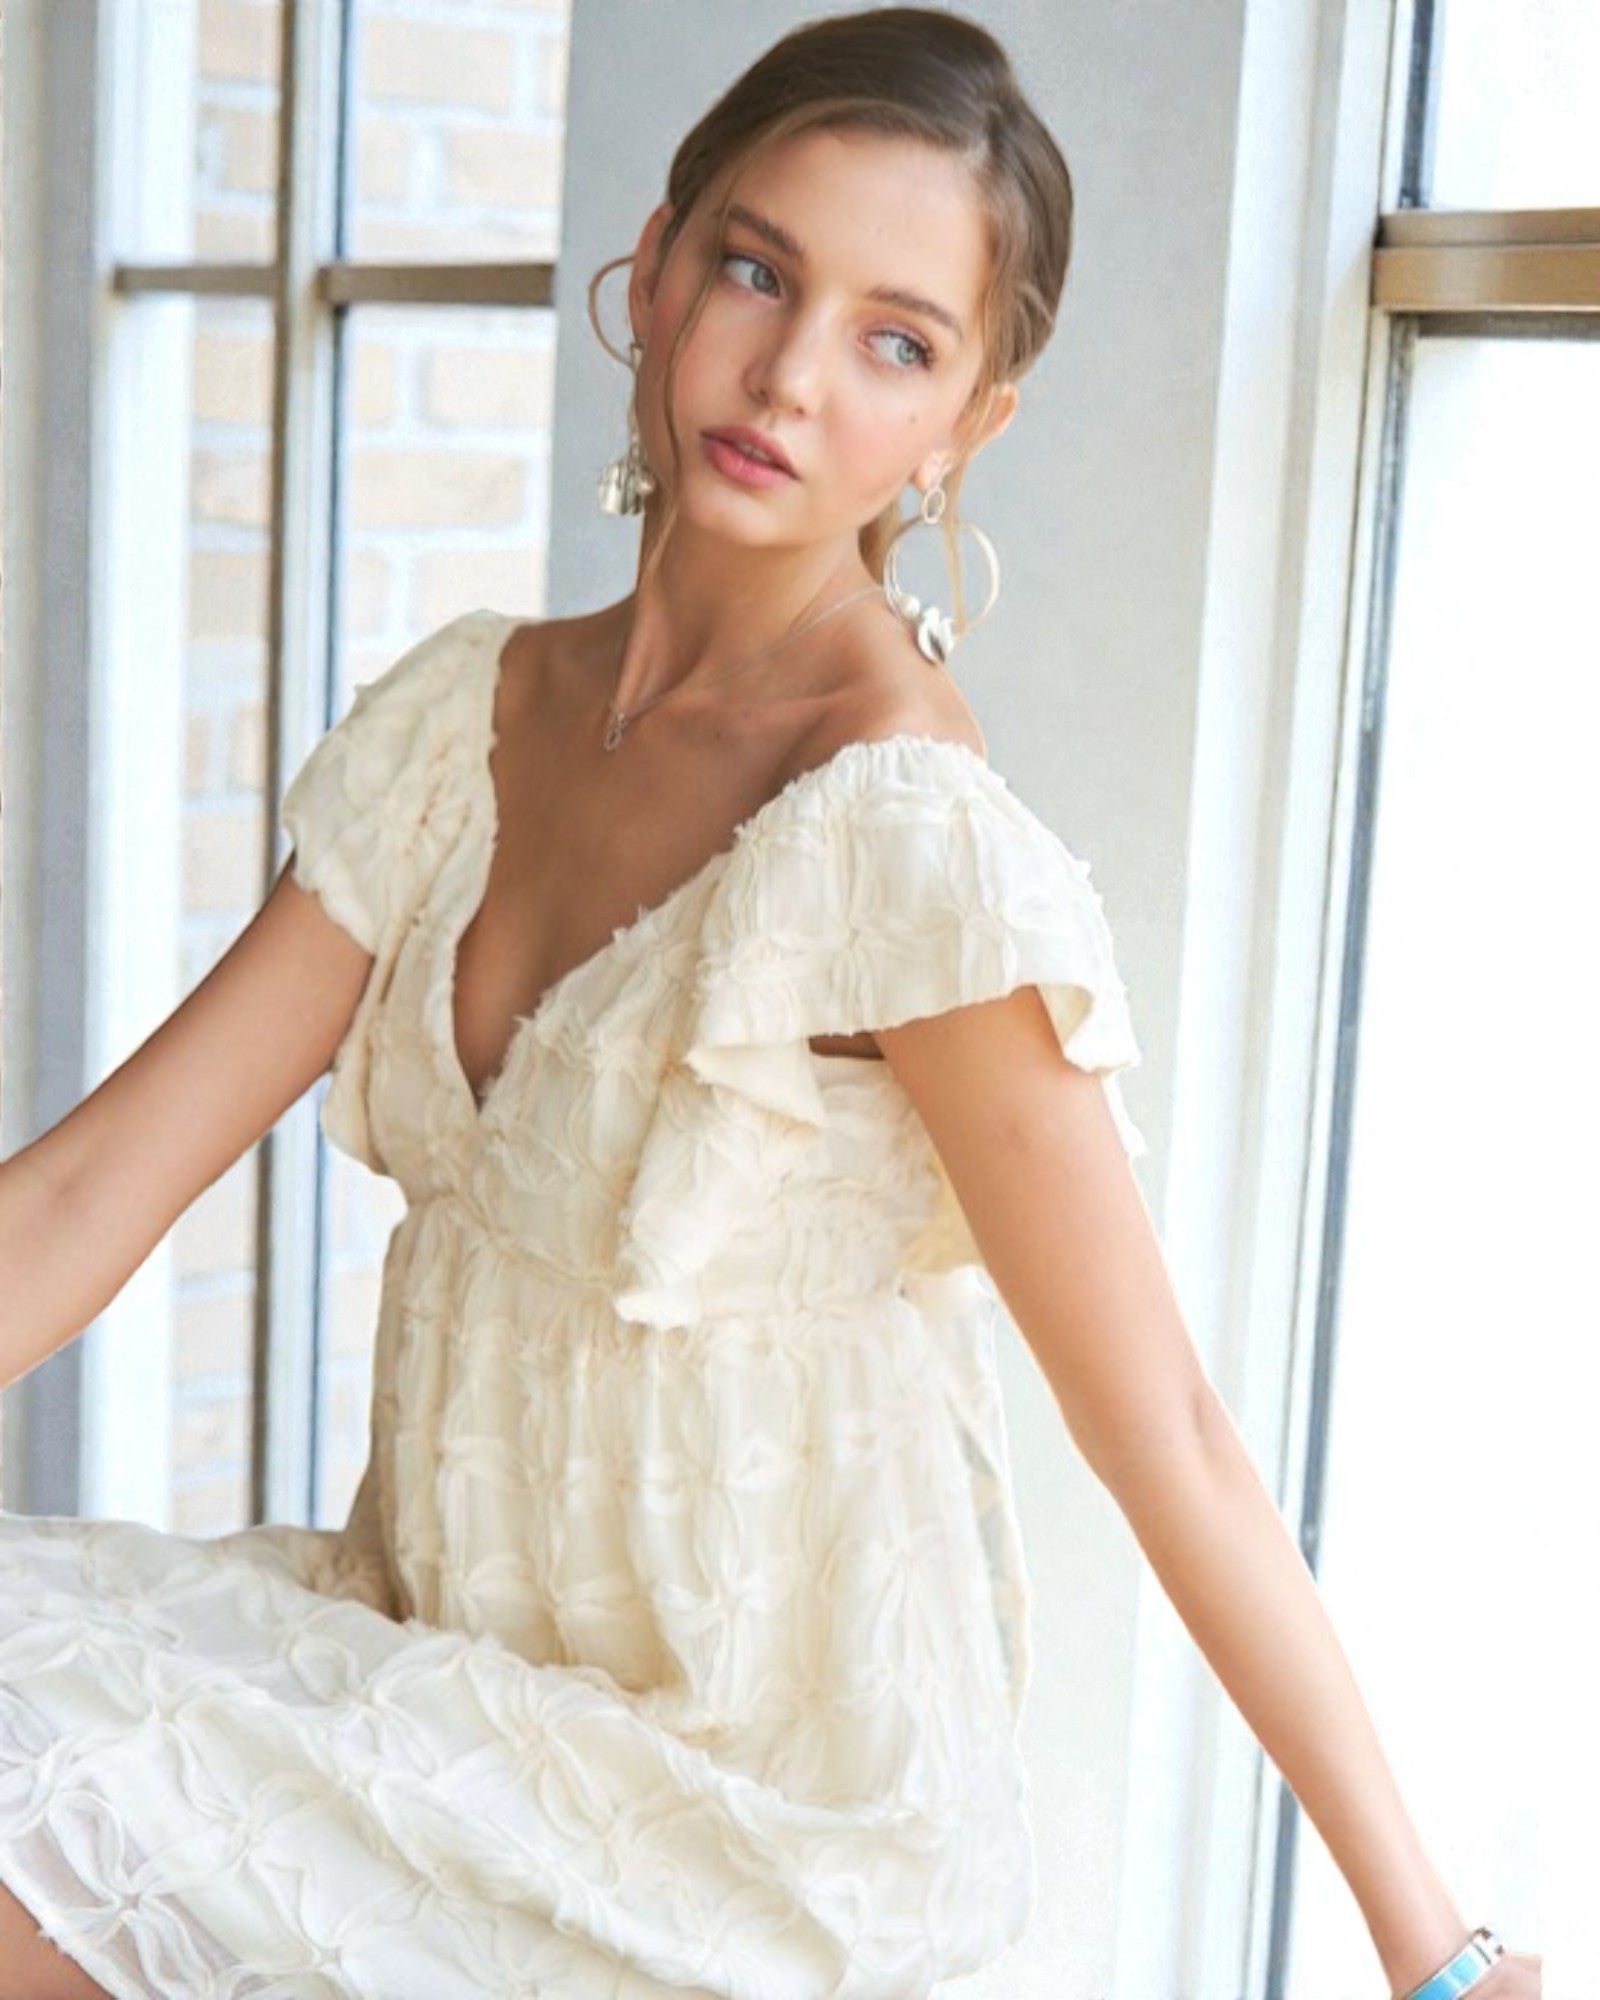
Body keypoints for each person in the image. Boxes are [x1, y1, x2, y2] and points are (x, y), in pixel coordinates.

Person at [0, 9, 1542, 1998]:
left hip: (749, 1829)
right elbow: (85, 1190)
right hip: (427, 1679)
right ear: (650, 272)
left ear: (965, 423)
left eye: (894, 340)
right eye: (754, 271)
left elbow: (1156, 1417)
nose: (793, 377)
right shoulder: (463, 719)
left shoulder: (898, 838)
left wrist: (1431, 1944)